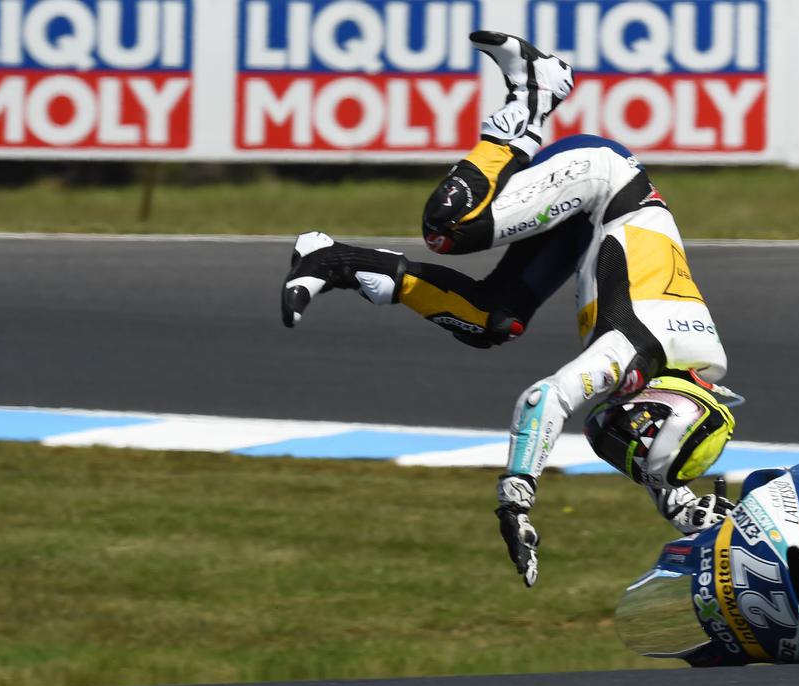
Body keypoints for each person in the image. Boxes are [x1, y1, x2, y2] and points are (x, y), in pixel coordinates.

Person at [280, 32, 737, 587]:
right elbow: (545, 398)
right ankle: (533, 96)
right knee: (450, 230)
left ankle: (335, 260)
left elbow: (656, 451)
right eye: (634, 431)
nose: (623, 434)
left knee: (492, 320)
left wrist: (687, 510)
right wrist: (516, 500)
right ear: (667, 403)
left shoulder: (679, 374)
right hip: (600, 178)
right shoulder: (640, 345)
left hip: (589, 222)